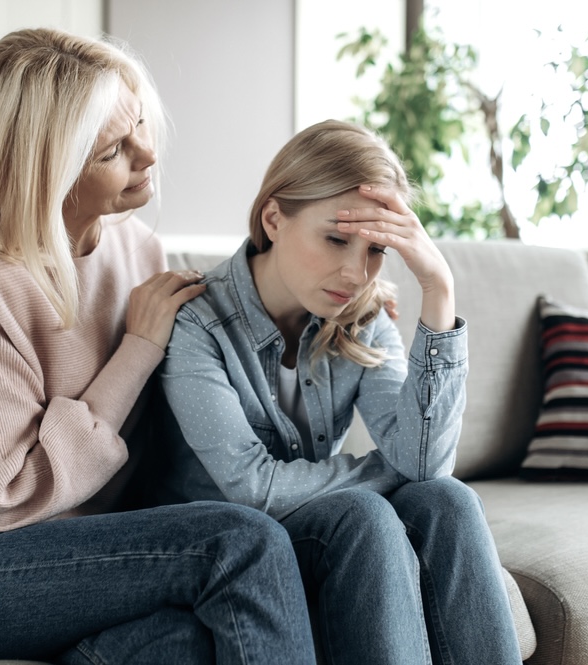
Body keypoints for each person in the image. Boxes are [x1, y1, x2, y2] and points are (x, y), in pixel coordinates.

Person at [0, 28, 315, 665]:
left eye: (138, 123)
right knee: (239, 543)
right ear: (52, 172)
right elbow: (12, 495)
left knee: (202, 640)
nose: (147, 153)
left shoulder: (136, 248)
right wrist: (137, 348)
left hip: (77, 558)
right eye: (115, 149)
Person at [156, 119, 522, 664]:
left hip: (317, 530)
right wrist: (388, 468)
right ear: (274, 217)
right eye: (335, 239)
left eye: (376, 250)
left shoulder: (363, 315)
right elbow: (251, 489)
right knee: (363, 515)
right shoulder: (197, 323)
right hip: (231, 552)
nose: (356, 272)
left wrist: (438, 291)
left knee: (449, 500)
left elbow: (426, 466)